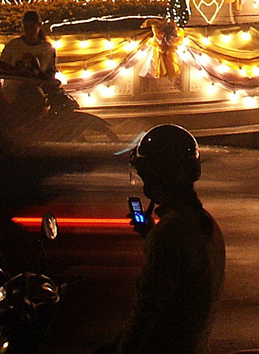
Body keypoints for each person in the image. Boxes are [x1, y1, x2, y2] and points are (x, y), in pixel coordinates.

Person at [98, 124, 226, 354]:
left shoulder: (170, 234)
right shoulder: (204, 223)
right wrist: (150, 233)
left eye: (145, 174)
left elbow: (146, 314)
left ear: (156, 176)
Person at [0, 9, 57, 77]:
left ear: (39, 26)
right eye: (26, 27)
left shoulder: (47, 48)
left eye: (33, 28)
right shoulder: (12, 45)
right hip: (14, 85)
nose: (30, 31)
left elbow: (50, 72)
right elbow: (2, 66)